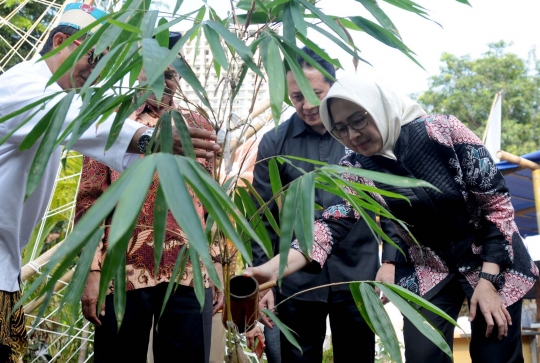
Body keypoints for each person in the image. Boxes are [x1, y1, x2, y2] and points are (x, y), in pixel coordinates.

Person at [245, 74, 538, 363]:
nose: (352, 135)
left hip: (493, 258)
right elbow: (330, 225)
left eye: (358, 120)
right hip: (429, 268)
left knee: (495, 351)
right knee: (423, 355)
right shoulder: (356, 166)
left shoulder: (443, 131)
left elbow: (498, 205)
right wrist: (272, 270)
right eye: (341, 129)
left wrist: (488, 280)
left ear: (377, 107)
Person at [0, 4, 219, 362]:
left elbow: (212, 203)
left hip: (186, 272)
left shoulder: (196, 123)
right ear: (61, 42)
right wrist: (156, 139)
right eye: (96, 58)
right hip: (123, 274)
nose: (98, 72)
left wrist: (216, 264)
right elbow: (90, 196)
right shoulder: (35, 91)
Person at [247, 49, 400, 363]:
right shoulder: (273, 144)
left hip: (357, 272)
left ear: (333, 86)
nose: (307, 105)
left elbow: (389, 200)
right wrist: (266, 283)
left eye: (314, 94)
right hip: (296, 278)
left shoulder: (361, 137)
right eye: (295, 97)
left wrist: (392, 258)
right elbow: (260, 217)